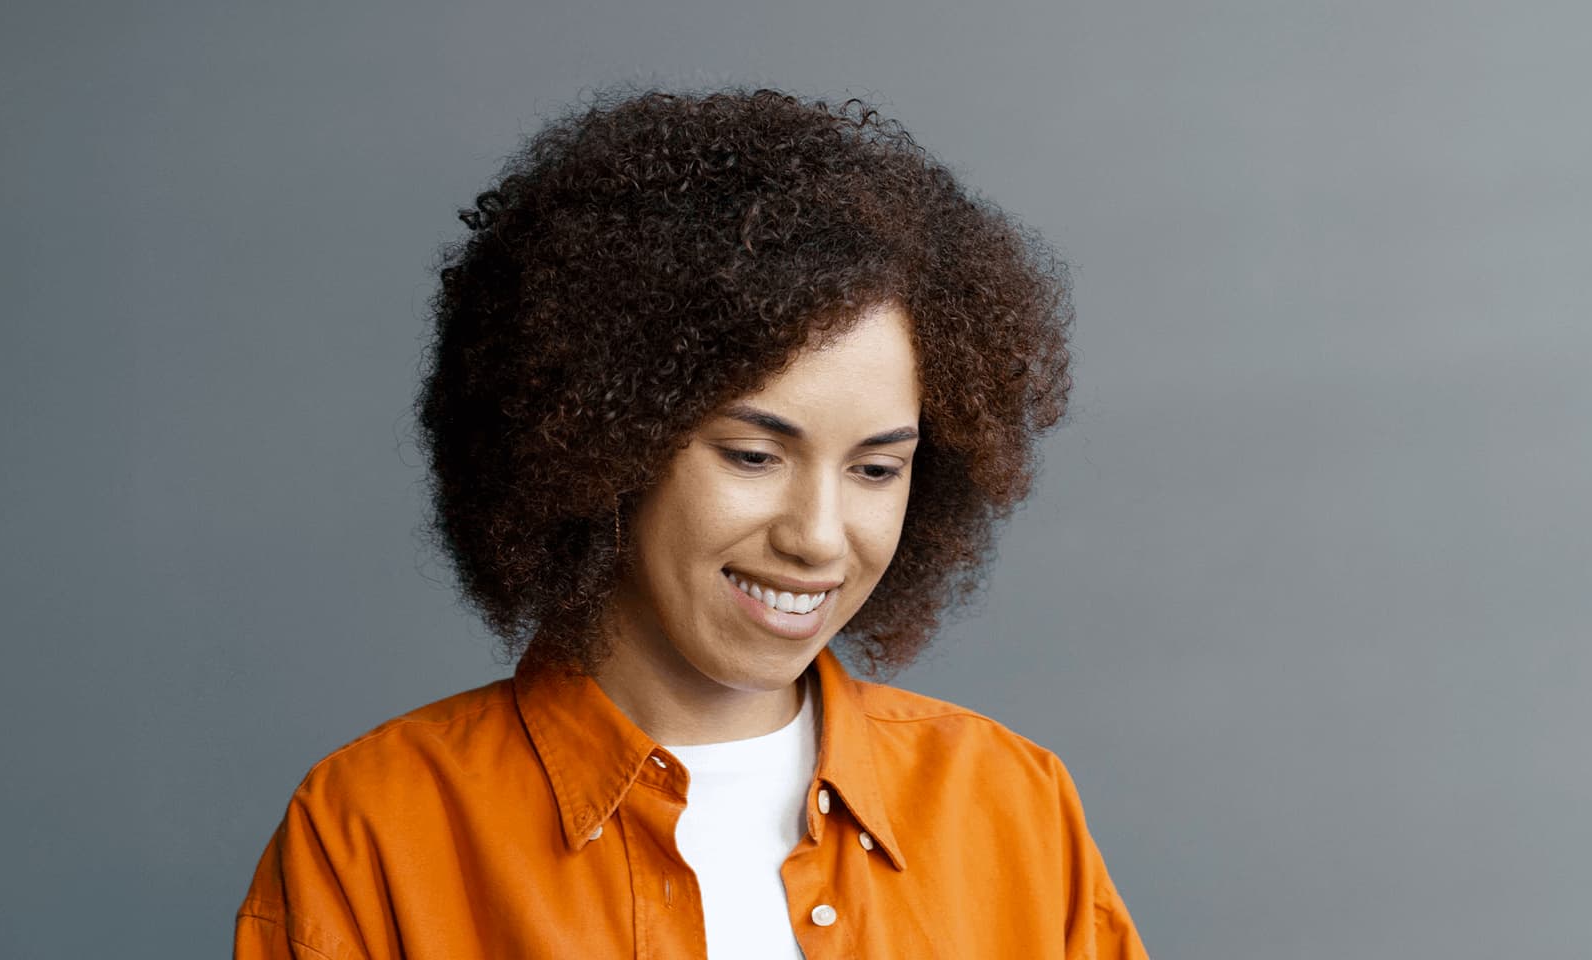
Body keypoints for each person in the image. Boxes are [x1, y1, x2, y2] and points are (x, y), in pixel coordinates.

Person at [234, 87, 1148, 959]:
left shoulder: (1012, 804)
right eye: (754, 456)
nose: (820, 537)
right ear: (602, 441)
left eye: (876, 469)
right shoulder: (373, 830)